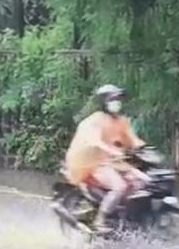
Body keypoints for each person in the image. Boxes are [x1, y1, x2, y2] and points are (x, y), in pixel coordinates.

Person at [63, 84, 147, 234]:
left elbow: (132, 139)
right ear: (103, 102)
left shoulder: (121, 121)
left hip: (111, 162)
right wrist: (112, 151)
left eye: (118, 99)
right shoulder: (94, 121)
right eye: (112, 99)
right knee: (119, 186)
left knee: (139, 182)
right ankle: (99, 220)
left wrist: (143, 149)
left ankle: (124, 218)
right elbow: (95, 141)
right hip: (91, 164)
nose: (117, 102)